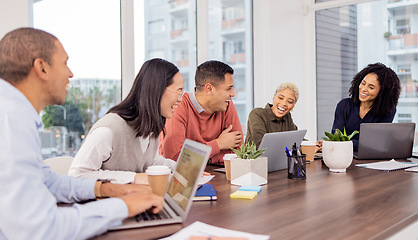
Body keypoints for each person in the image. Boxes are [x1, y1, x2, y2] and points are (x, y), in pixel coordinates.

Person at [0, 27, 164, 239]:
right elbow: (41, 229)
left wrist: (105, 189)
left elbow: (46, 180)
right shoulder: (10, 120)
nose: (71, 74)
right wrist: (122, 207)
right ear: (42, 68)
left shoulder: (13, 112)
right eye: (65, 63)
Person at [68, 58, 182, 184]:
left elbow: (151, 161)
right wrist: (134, 178)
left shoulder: (150, 126)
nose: (180, 99)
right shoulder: (109, 129)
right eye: (179, 91)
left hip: (133, 200)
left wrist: (182, 169)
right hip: (106, 202)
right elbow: (76, 175)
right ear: (158, 89)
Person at [159, 60, 243, 165]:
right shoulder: (178, 106)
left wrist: (203, 157)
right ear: (209, 89)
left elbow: (239, 153)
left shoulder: (226, 104)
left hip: (214, 176)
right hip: (182, 178)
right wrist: (219, 144)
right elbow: (175, 158)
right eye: (228, 88)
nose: (233, 94)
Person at [317, 62, 401, 151]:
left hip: (374, 159)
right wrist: (330, 144)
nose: (364, 89)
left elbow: (376, 144)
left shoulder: (388, 110)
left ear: (382, 92)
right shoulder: (344, 105)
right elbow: (336, 139)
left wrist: (344, 144)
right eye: (363, 83)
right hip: (347, 157)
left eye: (371, 87)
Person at [245, 82, 299, 148]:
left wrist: (312, 145)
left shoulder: (287, 117)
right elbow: (262, 145)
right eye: (281, 98)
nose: (284, 103)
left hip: (278, 158)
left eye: (290, 102)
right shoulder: (257, 114)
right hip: (257, 158)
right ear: (274, 98)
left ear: (293, 106)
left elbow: (296, 139)